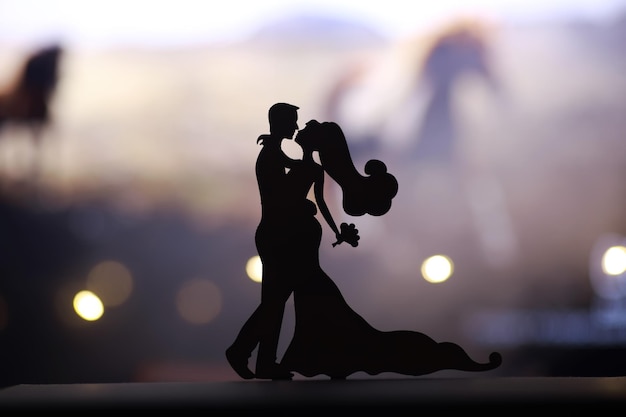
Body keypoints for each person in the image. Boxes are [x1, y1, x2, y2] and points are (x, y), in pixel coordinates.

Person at [277, 119, 502, 379]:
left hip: (388, 272)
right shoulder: (331, 180)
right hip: (337, 262)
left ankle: (312, 358)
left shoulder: (413, 194)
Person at [226, 102, 303, 380]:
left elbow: (291, 166)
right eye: (292, 121)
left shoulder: (273, 153)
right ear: (280, 123)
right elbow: (283, 193)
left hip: (276, 233)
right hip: (275, 234)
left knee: (275, 300)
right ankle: (241, 350)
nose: (296, 126)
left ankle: (264, 361)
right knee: (275, 301)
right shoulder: (271, 155)